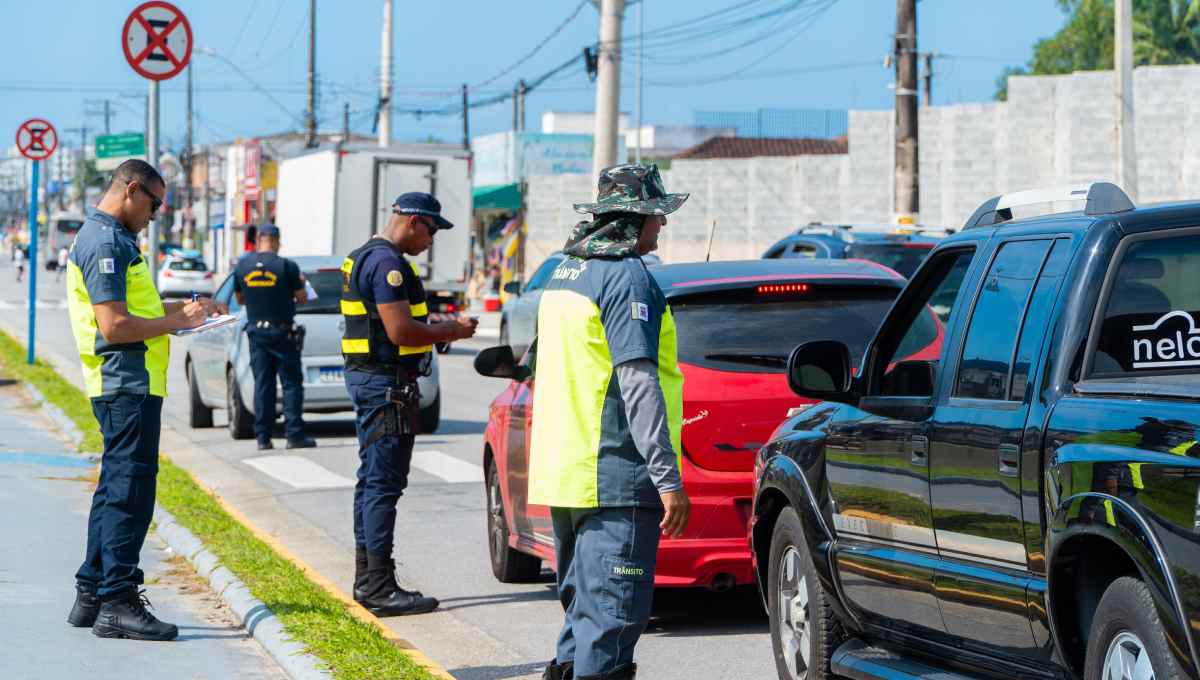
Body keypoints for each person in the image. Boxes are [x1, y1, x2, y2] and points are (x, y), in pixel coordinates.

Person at [529, 164, 691, 680]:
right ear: (633, 218)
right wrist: (668, 480)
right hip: (615, 476)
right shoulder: (627, 277)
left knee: (584, 615)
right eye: (655, 216)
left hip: (566, 475)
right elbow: (638, 383)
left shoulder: (564, 273)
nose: (661, 227)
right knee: (613, 621)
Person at [64, 159, 224, 641]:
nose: (156, 213)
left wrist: (186, 311)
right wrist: (176, 323)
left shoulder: (111, 238)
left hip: (127, 385)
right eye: (154, 203)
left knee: (115, 488)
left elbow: (137, 312)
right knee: (129, 494)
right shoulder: (107, 242)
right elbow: (114, 326)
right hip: (125, 383)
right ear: (131, 190)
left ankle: (92, 593)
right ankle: (119, 601)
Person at [340, 192, 477, 616]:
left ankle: (369, 580)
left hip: (372, 380)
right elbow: (400, 331)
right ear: (414, 221)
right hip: (385, 386)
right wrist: (451, 330)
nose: (432, 239)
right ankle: (379, 586)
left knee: (372, 482)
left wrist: (434, 328)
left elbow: (392, 324)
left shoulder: (363, 256)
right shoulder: (388, 265)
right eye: (432, 230)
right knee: (383, 484)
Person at [233, 224, 316, 450]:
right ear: (277, 240)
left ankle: (263, 437)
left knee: (263, 385)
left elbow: (239, 299)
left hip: (256, 333)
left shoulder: (242, 266)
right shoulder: (287, 266)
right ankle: (294, 435)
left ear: (258, 239)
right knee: (290, 384)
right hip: (282, 333)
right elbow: (302, 297)